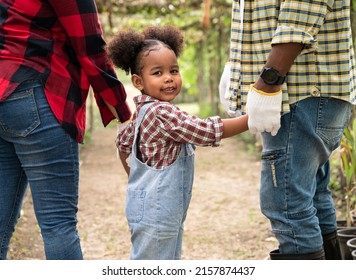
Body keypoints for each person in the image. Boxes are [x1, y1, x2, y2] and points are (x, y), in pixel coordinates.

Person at [220, 0, 356, 260]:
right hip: (307, 96)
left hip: (300, 92)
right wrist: (235, 69)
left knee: (286, 203)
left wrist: (268, 82)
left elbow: (301, 12)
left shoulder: (278, 85)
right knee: (311, 195)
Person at [0, 0, 131, 260]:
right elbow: (90, 46)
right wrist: (124, 115)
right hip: (36, 93)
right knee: (57, 224)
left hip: (4, 93)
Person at [107, 25, 248, 260]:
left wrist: (138, 177)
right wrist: (251, 120)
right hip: (159, 211)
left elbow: (122, 145)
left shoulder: (141, 113)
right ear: (138, 81)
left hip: (144, 206)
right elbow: (205, 130)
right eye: (158, 73)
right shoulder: (162, 112)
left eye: (174, 70)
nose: (169, 78)